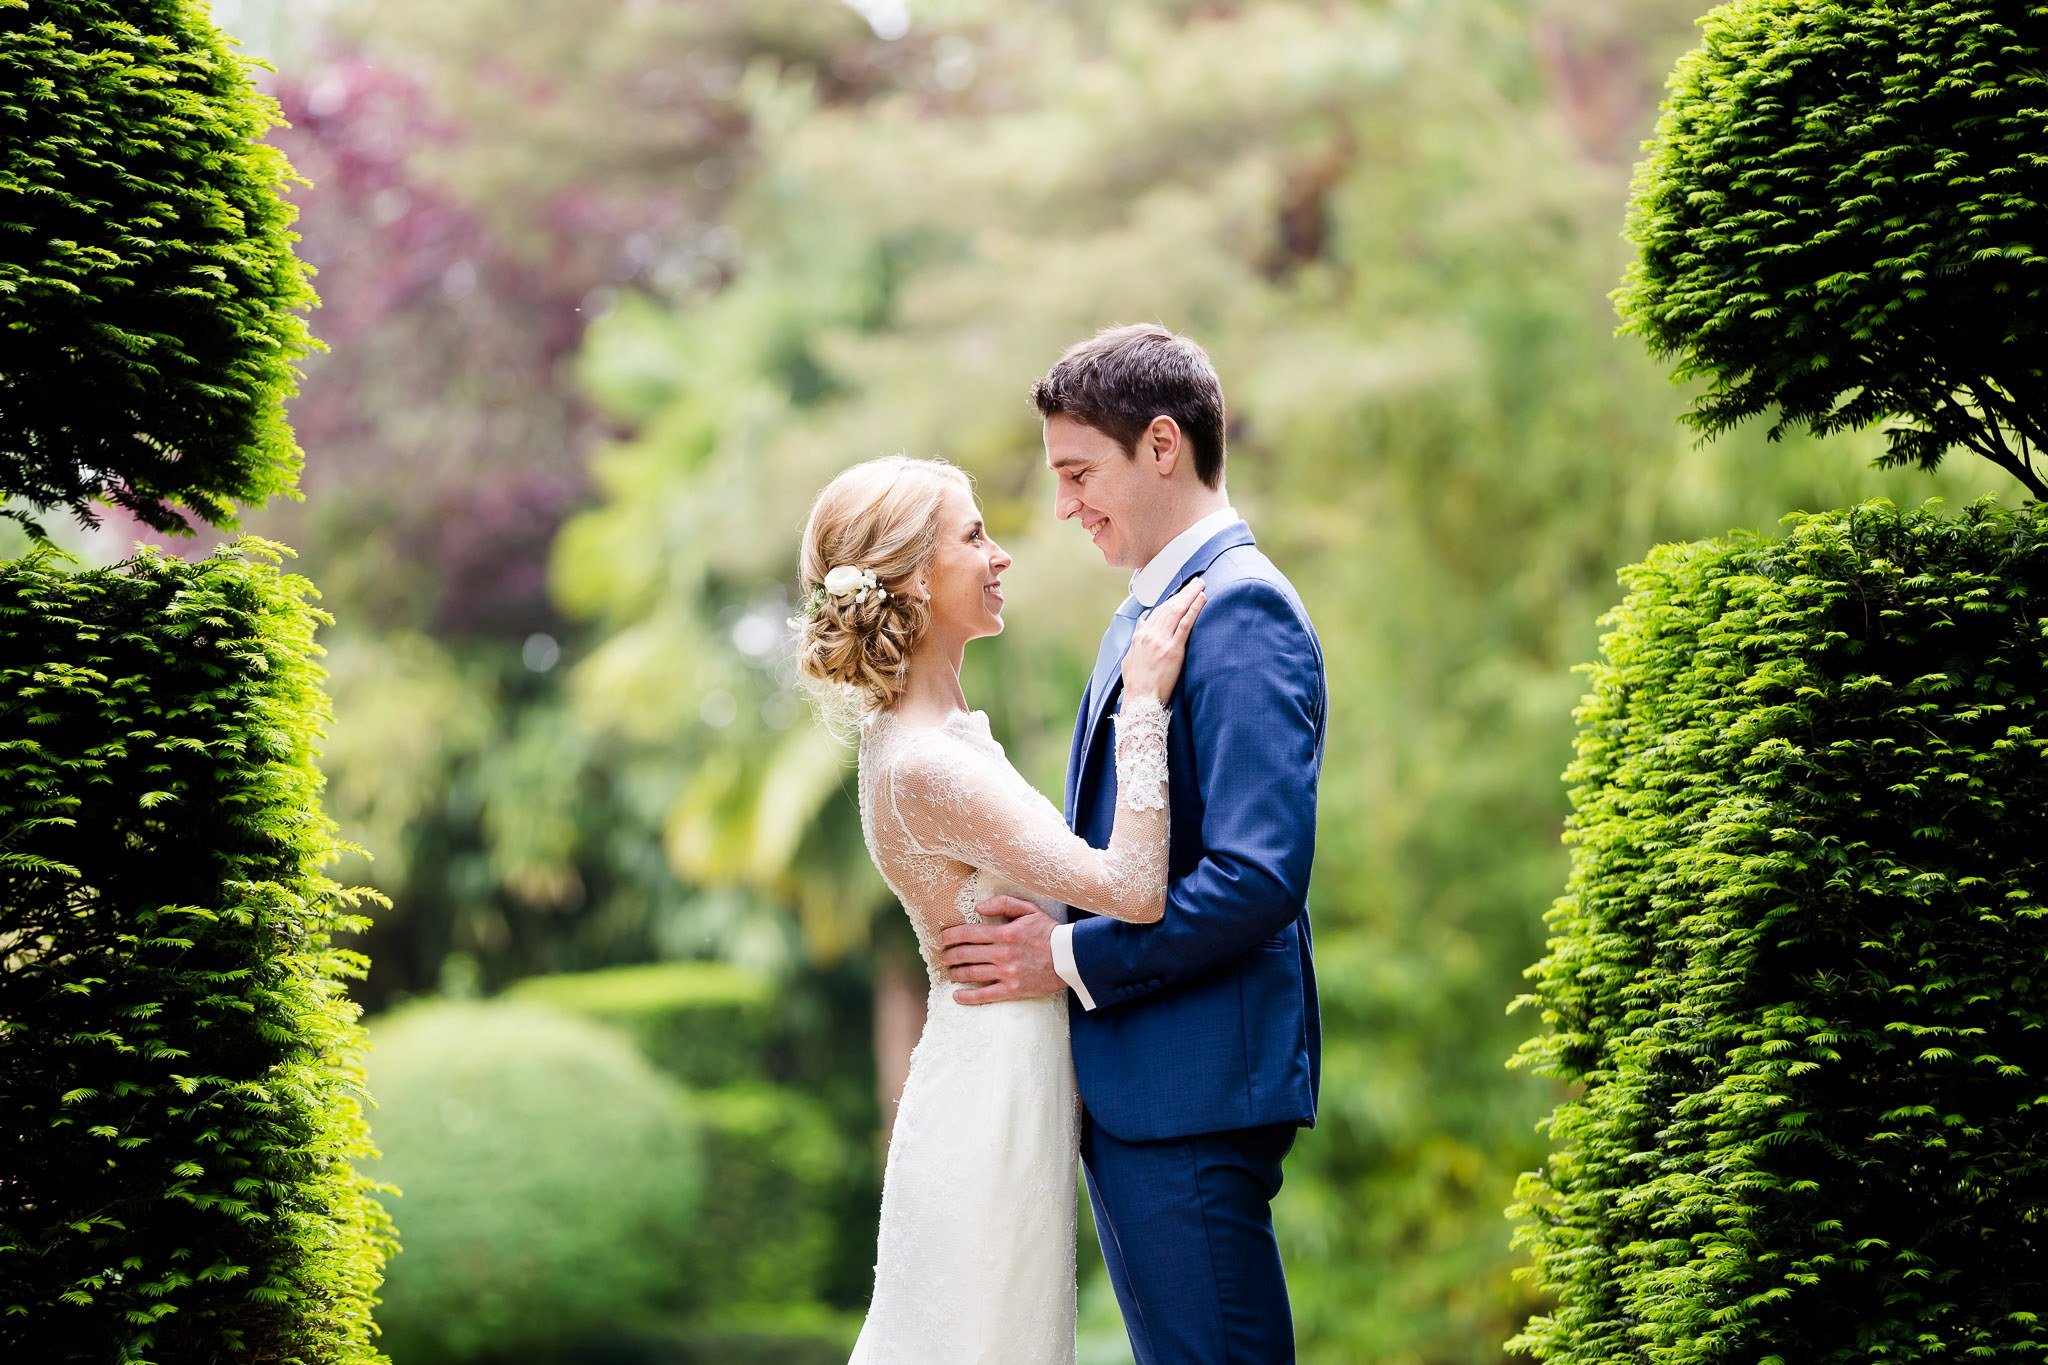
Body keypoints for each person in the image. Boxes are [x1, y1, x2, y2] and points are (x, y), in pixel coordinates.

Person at [938, 323, 1326, 1363]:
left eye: (1077, 473)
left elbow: (1256, 878)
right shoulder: (1145, 615)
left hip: (1192, 1088)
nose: (1062, 505)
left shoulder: (1242, 614)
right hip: (1145, 1085)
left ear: (1161, 446)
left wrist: (1062, 958)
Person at [794, 452, 1206, 1365]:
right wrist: (1144, 702)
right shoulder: (924, 762)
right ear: (907, 578)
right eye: (974, 535)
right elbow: (1134, 888)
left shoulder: (918, 736)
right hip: (986, 1111)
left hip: (1000, 1086)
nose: (1001, 554)